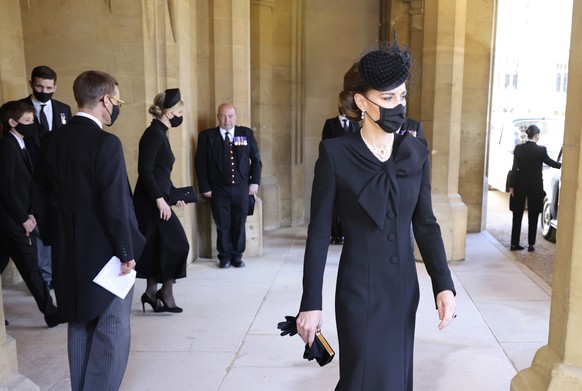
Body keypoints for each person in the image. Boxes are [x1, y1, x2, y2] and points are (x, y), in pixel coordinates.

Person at [296, 41, 457, 391]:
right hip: (359, 291)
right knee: (361, 380)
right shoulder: (335, 153)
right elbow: (320, 231)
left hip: (402, 290)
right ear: (361, 102)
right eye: (387, 99)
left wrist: (443, 284)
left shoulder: (416, 153)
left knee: (395, 380)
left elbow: (426, 225)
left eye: (401, 96)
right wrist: (311, 303)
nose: (397, 106)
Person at [34, 70, 145, 391]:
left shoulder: (52, 139)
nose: (117, 106)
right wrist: (126, 252)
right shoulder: (106, 143)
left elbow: (38, 194)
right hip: (107, 255)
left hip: (68, 252)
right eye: (118, 100)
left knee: (80, 325)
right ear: (105, 100)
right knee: (112, 331)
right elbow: (115, 205)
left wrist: (55, 236)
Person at [0, 101, 60, 328]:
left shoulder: (19, 144)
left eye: (32, 120)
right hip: (10, 221)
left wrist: (31, 212)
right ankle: (51, 312)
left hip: (15, 217)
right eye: (27, 121)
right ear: (12, 123)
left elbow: (23, 186)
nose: (32, 125)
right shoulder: (7, 147)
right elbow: (6, 189)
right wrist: (23, 218)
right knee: (30, 266)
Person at [134, 88, 190, 313]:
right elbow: (145, 171)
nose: (180, 116)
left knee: (158, 246)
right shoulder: (153, 134)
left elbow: (160, 173)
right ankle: (164, 292)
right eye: (179, 112)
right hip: (149, 202)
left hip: (158, 198)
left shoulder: (160, 132)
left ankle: (151, 293)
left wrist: (172, 196)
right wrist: (159, 199)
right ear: (169, 114)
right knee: (178, 244)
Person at [20, 65, 72, 290]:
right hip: (31, 179)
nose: (44, 90)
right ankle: (45, 277)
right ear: (31, 84)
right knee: (38, 228)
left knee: (59, 225)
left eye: (49, 87)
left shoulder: (64, 109)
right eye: (40, 86)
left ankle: (60, 271)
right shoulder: (18, 109)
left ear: (55, 87)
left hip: (58, 181)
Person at [195, 103, 262, 269]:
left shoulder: (245, 134)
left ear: (236, 117)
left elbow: (256, 161)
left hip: (242, 188)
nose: (227, 120)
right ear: (218, 117)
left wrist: (254, 183)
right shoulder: (207, 136)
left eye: (230, 116)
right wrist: (205, 187)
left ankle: (237, 256)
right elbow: (200, 164)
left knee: (239, 223)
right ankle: (224, 257)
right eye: (223, 116)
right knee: (222, 224)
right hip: (218, 189)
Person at [508, 125, 561, 252]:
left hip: (519, 184)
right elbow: (550, 162)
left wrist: (511, 185)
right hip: (535, 186)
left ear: (528, 135)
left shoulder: (519, 148)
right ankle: (531, 244)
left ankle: (514, 244)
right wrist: (562, 165)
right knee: (533, 214)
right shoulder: (541, 150)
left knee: (517, 214)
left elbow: (515, 168)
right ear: (536, 135)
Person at [321, 107, 360, 245]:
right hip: (334, 169)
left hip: (350, 171)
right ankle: (334, 234)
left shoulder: (355, 124)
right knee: (333, 205)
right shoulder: (330, 123)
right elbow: (324, 145)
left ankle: (344, 234)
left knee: (347, 204)